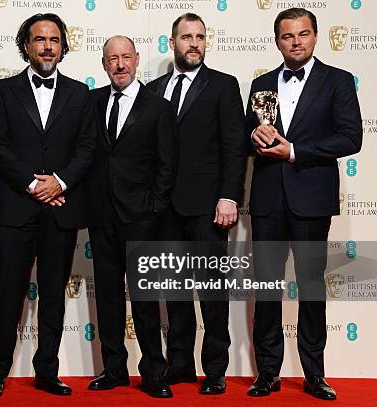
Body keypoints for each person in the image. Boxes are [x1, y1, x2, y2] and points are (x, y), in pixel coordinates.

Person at [245, 8, 361, 400]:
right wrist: (255, 136)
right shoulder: (260, 84)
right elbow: (247, 138)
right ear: (276, 40)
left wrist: (294, 150)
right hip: (267, 200)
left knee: (311, 287)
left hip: (311, 200)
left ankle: (314, 374)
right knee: (266, 288)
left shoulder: (338, 81)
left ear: (315, 36)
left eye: (303, 34)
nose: (295, 41)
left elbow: (350, 138)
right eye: (287, 36)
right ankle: (267, 372)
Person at [0, 13, 96, 398]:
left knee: (53, 297)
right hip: (16, 210)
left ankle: (48, 370)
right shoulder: (3, 90)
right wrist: (33, 184)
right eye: (39, 39)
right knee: (7, 295)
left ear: (63, 46)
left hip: (60, 211)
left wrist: (59, 182)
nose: (47, 46)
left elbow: (87, 148)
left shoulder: (81, 94)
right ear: (25, 46)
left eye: (54, 40)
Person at [147, 13, 246, 395]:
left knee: (212, 290)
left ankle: (216, 368)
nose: (194, 43)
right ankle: (180, 365)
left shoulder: (223, 85)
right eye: (186, 36)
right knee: (173, 290)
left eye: (200, 37)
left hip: (207, 206)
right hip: (163, 208)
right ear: (171, 43)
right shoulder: (153, 90)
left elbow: (234, 146)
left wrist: (229, 196)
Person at [87, 36, 176, 398]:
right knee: (107, 297)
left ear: (137, 59)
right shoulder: (91, 103)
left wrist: (154, 206)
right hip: (101, 215)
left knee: (145, 298)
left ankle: (155, 371)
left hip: (141, 217)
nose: (120, 64)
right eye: (112, 59)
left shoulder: (159, 107)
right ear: (104, 64)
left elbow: (168, 163)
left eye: (125, 57)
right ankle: (114, 370)